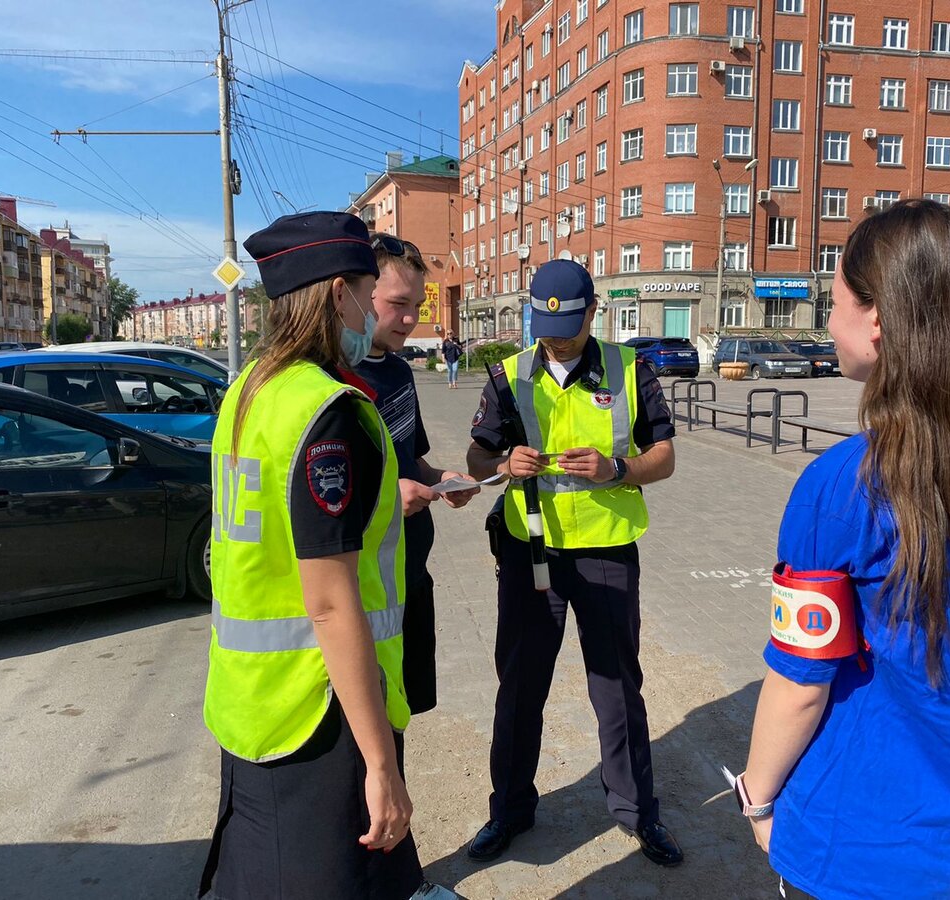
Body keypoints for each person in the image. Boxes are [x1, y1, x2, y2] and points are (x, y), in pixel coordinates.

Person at [733, 200, 950, 899]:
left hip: (864, 845)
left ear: (880, 322)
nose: (828, 322)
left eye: (834, 302)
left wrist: (759, 799)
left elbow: (802, 682)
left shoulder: (841, 485)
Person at [199, 212, 423, 900]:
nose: (373, 302)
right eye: (367, 286)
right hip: (318, 707)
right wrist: (381, 763)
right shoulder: (326, 411)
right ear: (338, 294)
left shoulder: (251, 388)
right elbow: (330, 601)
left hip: (249, 697)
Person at [464, 259, 683, 867]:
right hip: (530, 551)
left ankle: (639, 813)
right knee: (521, 687)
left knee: (617, 690)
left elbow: (663, 455)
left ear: (594, 313)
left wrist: (621, 470)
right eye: (543, 326)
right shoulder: (509, 376)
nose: (553, 339)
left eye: (566, 325)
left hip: (607, 553)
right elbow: (477, 458)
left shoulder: (630, 369)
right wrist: (504, 465)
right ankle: (507, 812)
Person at [357, 233, 479, 715]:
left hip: (412, 576)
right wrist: (387, 497)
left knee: (403, 716)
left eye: (417, 303)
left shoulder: (400, 372)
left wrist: (443, 478)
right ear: (358, 293)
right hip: (364, 590)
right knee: (370, 726)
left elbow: (414, 461)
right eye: (397, 304)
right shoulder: (330, 379)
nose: (411, 318)